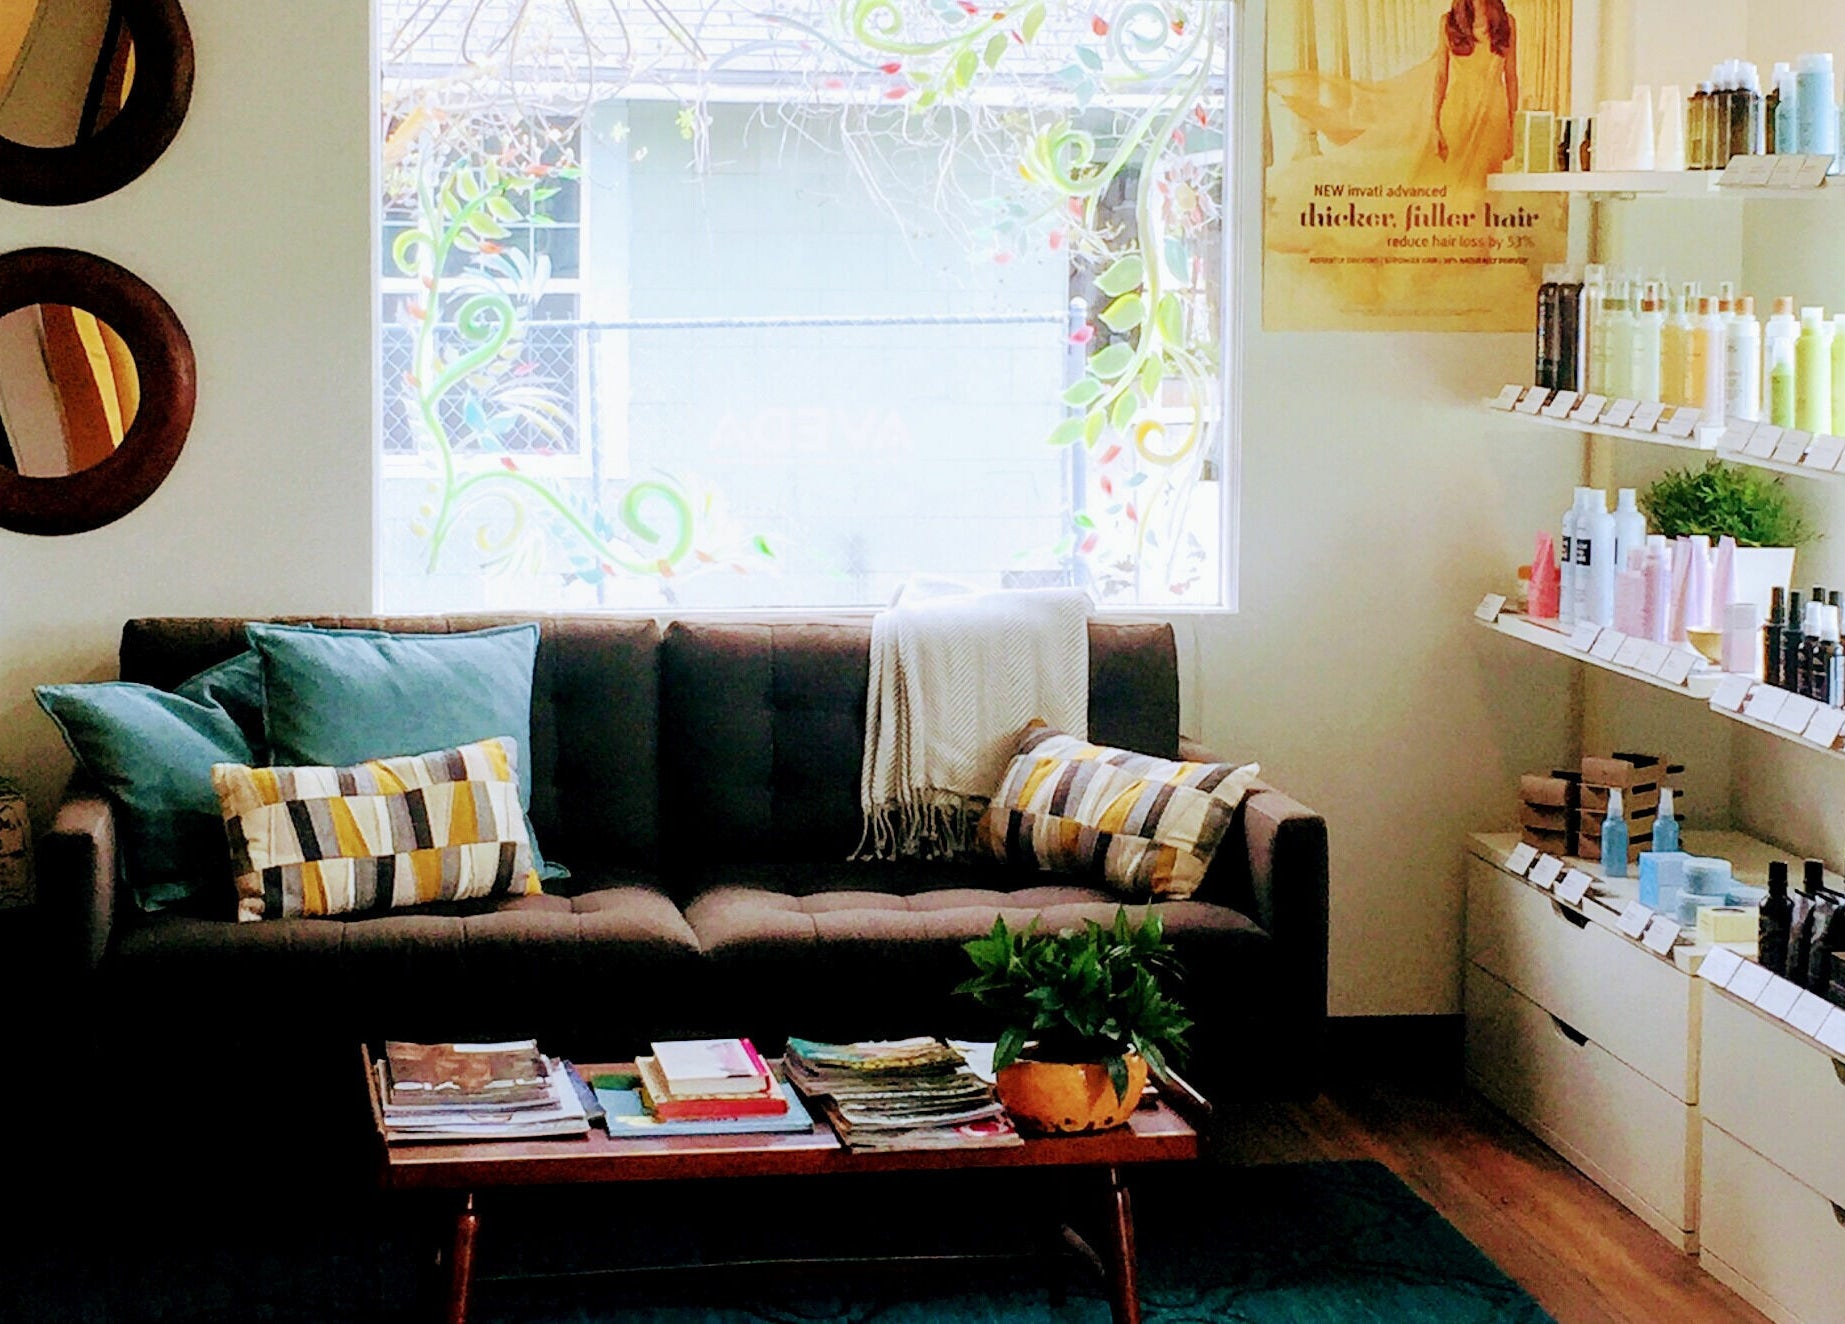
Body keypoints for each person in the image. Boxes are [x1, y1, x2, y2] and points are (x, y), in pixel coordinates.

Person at [1433, 0, 1519, 178]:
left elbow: (1511, 77)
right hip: (1458, 115)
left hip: (1493, 116)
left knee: (1489, 187)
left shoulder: (1506, 22)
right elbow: (1441, 76)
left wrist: (1514, 126)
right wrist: (1434, 124)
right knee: (1457, 186)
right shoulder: (1449, 22)